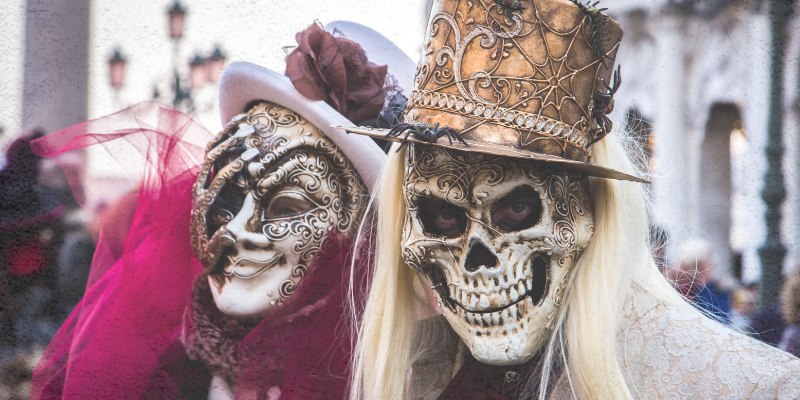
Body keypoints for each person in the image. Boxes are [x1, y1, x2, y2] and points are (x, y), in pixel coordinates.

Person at [340, 0, 800, 398]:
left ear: (593, 211)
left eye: (517, 208)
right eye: (442, 215)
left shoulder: (755, 388)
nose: (478, 260)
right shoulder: (416, 378)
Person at [29, 21, 413, 400]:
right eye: (229, 195)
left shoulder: (408, 380)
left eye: (287, 206)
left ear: (364, 228)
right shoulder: (157, 370)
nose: (236, 231)